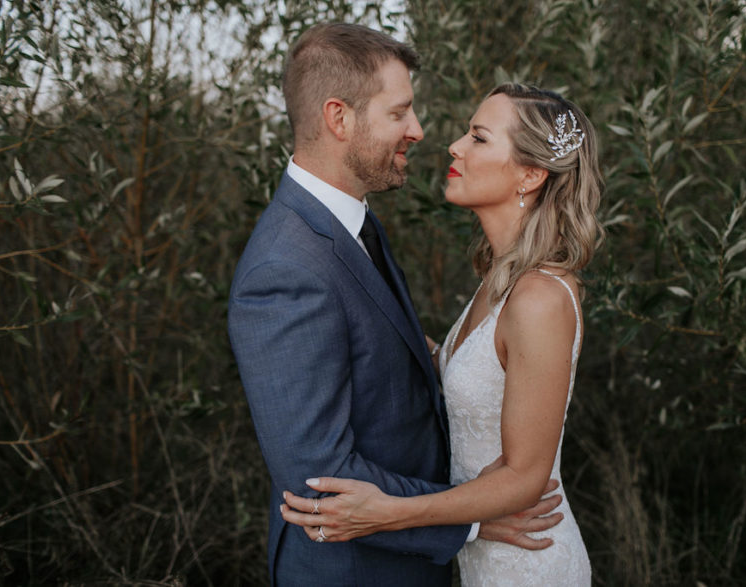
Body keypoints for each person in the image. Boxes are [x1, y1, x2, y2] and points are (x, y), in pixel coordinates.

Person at [228, 24, 563, 586]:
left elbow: (384, 357)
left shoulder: (353, 223)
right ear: (339, 118)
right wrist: (469, 520)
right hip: (355, 571)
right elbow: (319, 479)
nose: (419, 130)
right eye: (399, 112)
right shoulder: (283, 269)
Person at [280, 82, 603, 586]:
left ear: (531, 174)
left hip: (529, 562)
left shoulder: (539, 298)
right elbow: (458, 368)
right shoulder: (500, 280)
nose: (454, 146)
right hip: (483, 559)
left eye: (478, 137)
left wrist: (389, 511)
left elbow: (525, 478)